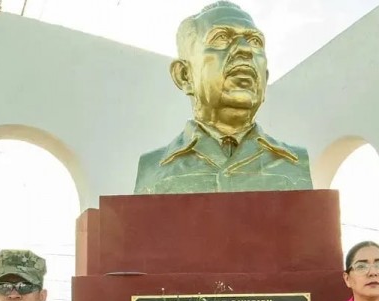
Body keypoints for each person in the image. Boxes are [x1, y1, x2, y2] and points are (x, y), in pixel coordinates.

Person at [134, 1, 313, 194]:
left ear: (265, 77)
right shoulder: (152, 168)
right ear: (184, 75)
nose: (245, 49)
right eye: (221, 37)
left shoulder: (296, 163)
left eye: (255, 41)